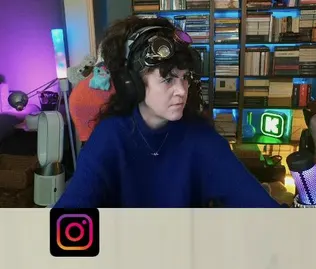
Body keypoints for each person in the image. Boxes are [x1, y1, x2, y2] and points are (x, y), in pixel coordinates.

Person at [55, 17, 278, 209]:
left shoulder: (200, 137)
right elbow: (71, 212)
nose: (181, 90)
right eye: (168, 79)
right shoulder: (109, 137)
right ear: (131, 83)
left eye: (184, 77)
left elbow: (256, 202)